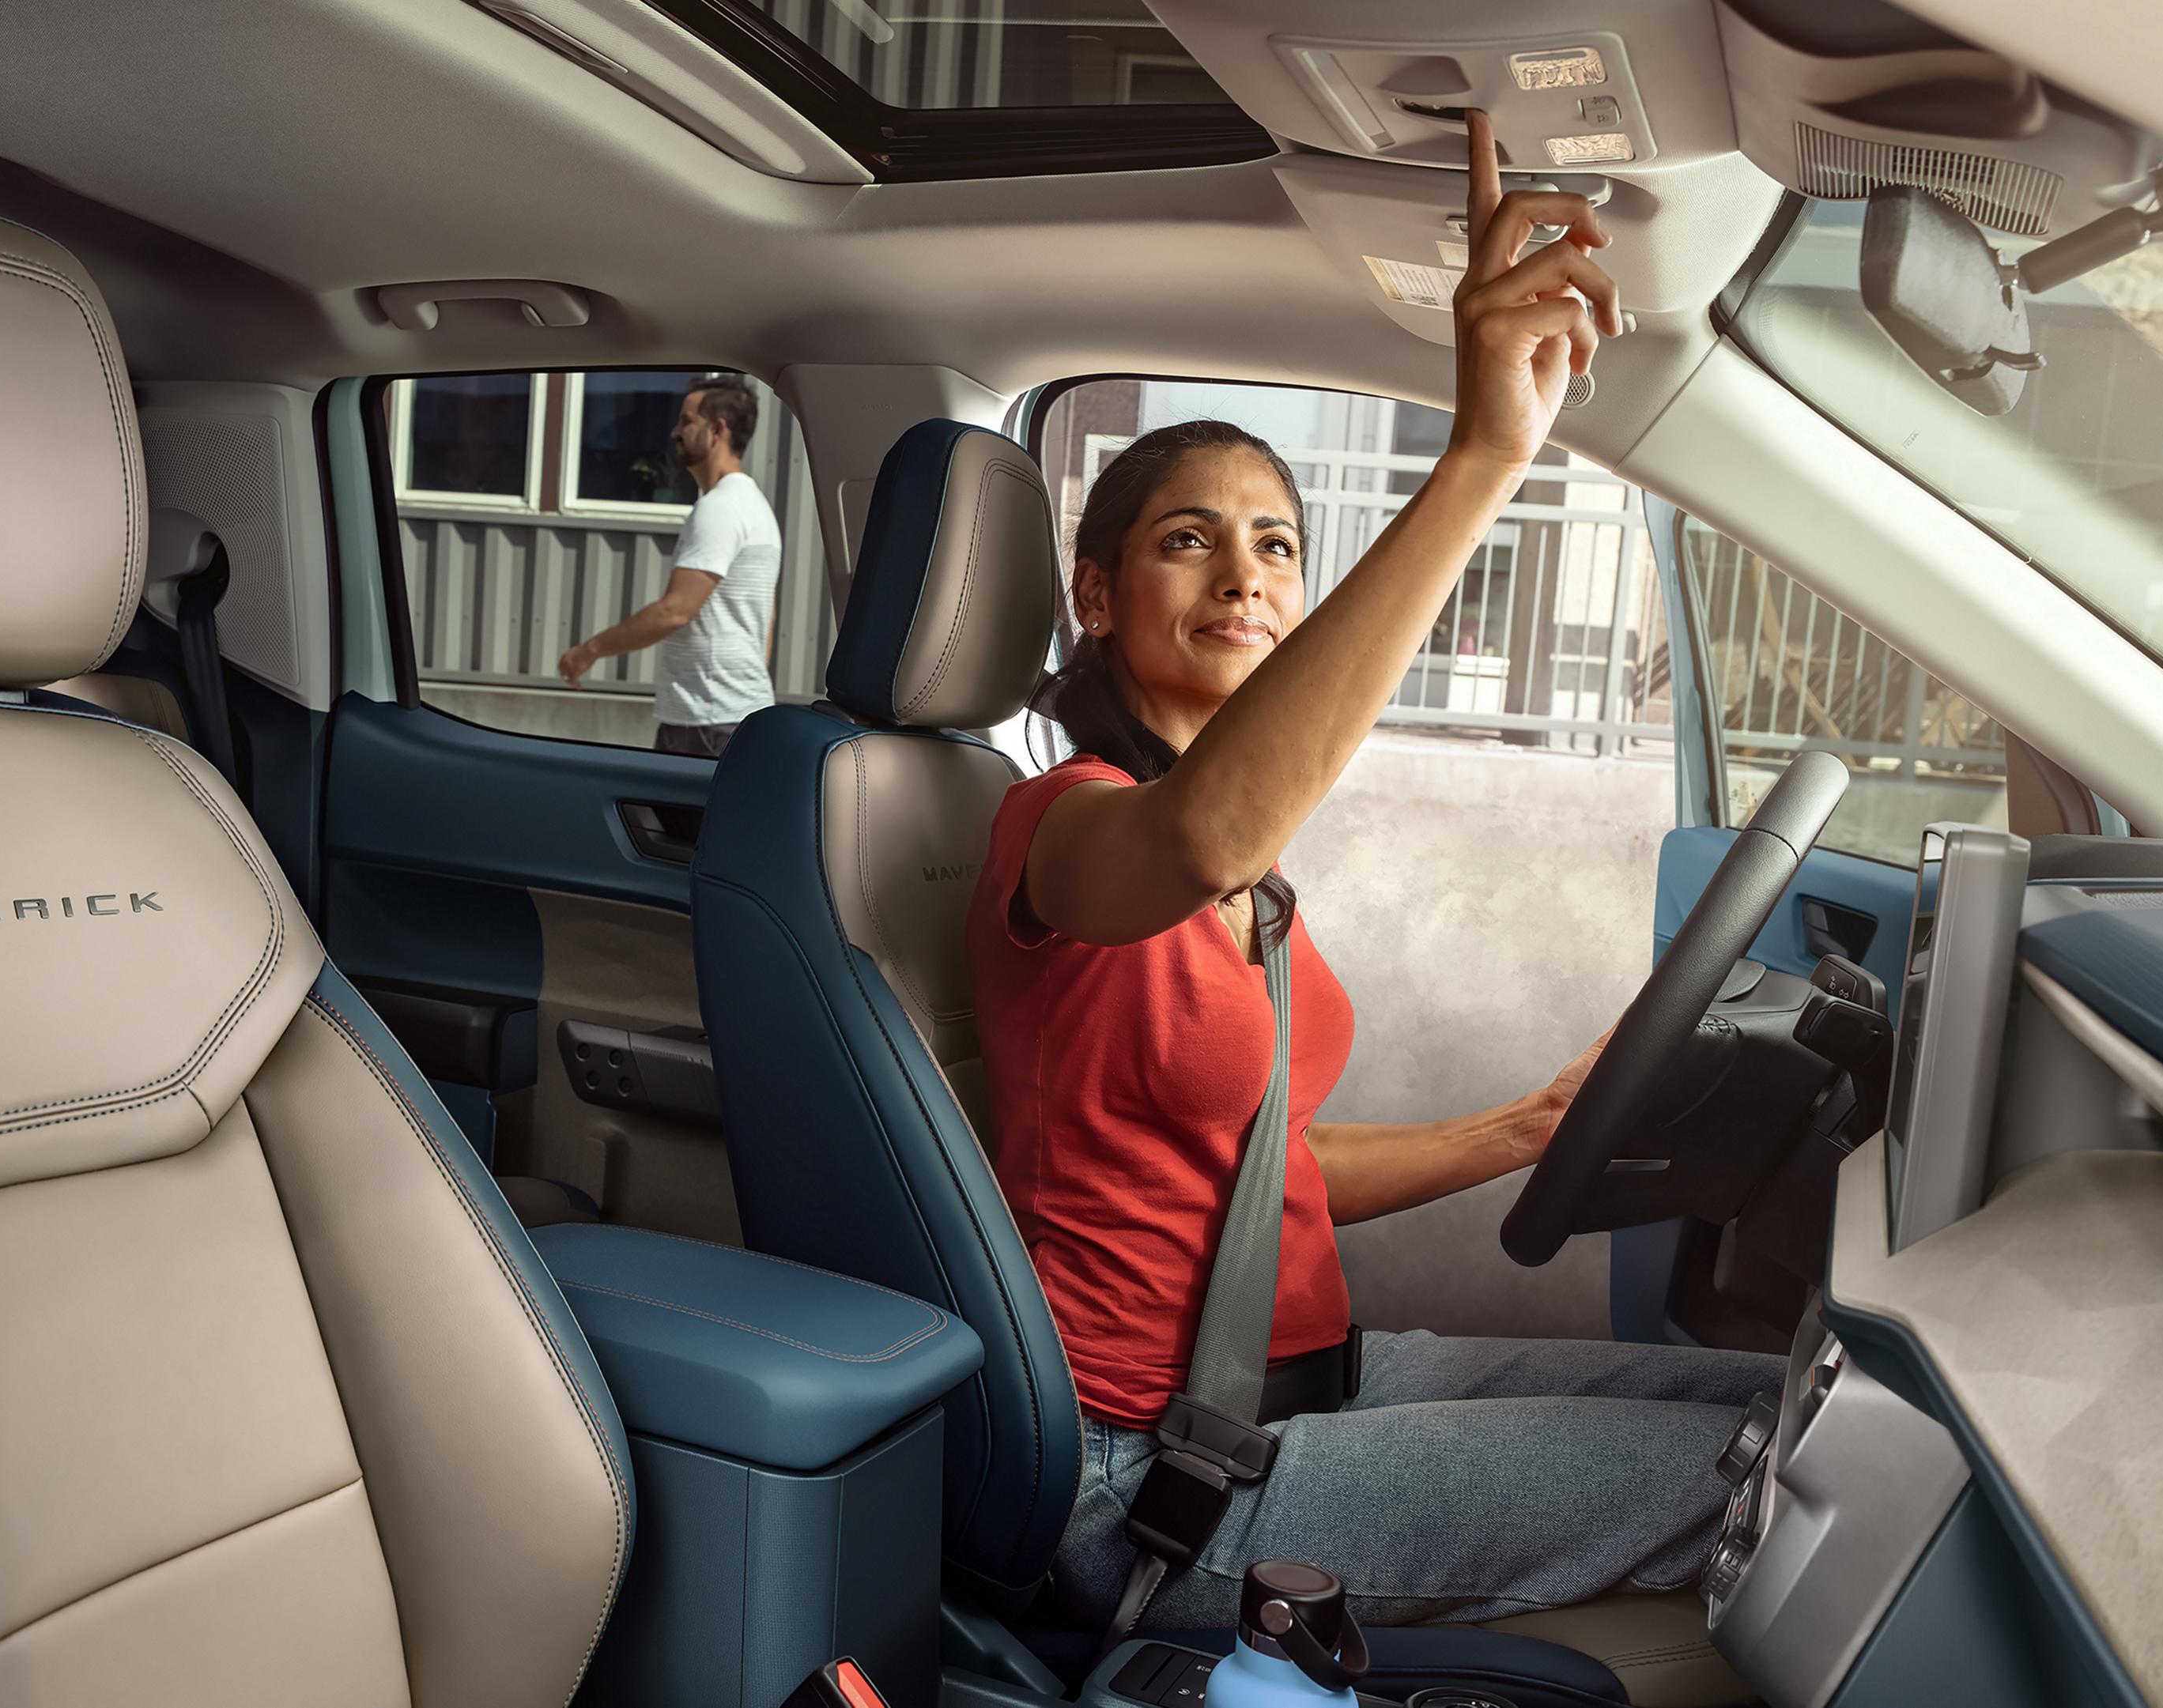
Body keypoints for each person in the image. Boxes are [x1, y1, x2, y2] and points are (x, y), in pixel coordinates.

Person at [968, 113, 1784, 1635]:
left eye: (1279, 546)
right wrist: (1486, 453)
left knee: (1798, 1400)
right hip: (1145, 1473)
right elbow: (1192, 836)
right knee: (1787, 1473)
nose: (1246, 576)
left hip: (1303, 1384)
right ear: (1095, 591)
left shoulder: (1253, 877)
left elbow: (1262, 1167)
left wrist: (1525, 1126)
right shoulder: (1065, 828)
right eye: (1188, 541)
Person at [558, 374, 782, 757]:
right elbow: (766, 617)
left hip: (707, 722)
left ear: (717, 430)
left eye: (686, 420)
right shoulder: (754, 505)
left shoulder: (720, 508)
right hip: (732, 713)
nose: (675, 430)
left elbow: (674, 612)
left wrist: (589, 651)